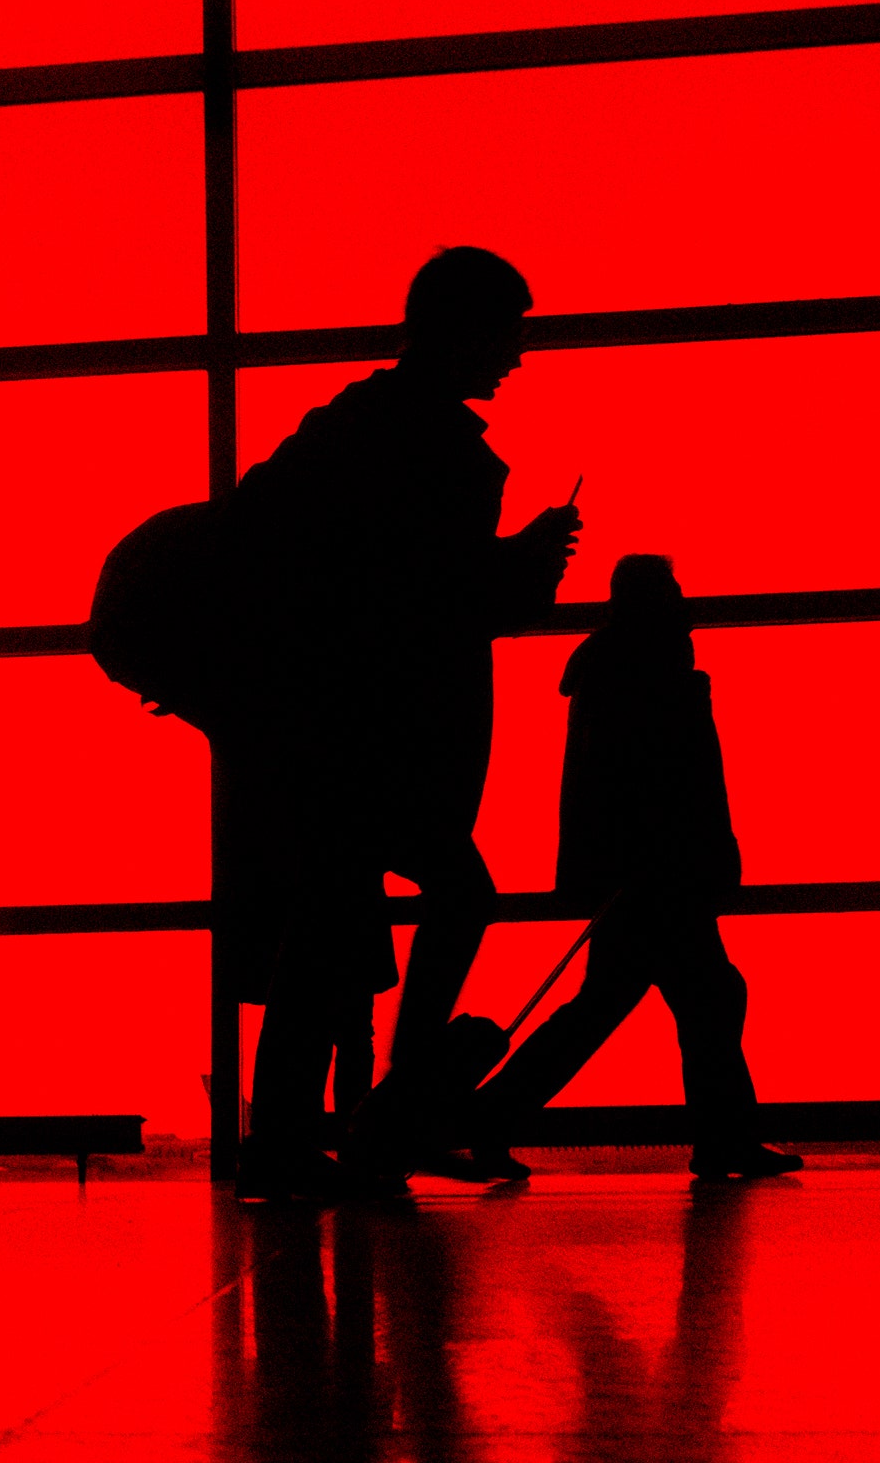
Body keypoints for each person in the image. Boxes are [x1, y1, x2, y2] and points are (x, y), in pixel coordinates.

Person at [216, 246, 580, 1198]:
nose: (515, 356)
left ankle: (305, 1130)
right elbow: (444, 602)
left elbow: (357, 569)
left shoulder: (348, 427)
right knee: (444, 899)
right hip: (387, 735)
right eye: (507, 334)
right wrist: (528, 564)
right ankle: (386, 1110)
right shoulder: (441, 453)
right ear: (462, 330)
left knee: (336, 920)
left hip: (326, 728)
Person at [464, 555, 800, 1181]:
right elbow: (681, 781)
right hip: (661, 872)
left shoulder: (614, 670)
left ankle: (492, 1114)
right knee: (704, 996)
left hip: (639, 872)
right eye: (672, 589)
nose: (682, 601)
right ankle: (724, 1138)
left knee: (620, 1004)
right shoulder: (648, 674)